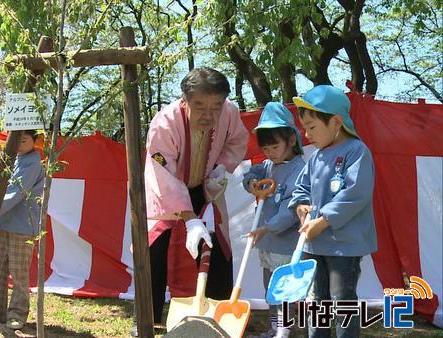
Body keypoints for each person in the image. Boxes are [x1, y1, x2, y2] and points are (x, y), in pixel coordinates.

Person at [140, 67, 248, 334]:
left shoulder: (230, 113)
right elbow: (161, 173)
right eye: (200, 106)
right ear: (184, 100)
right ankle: (147, 319)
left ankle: (219, 315)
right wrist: (189, 219)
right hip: (165, 192)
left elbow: (237, 141)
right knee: (154, 252)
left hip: (206, 187)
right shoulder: (164, 124)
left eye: (216, 107)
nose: (208, 115)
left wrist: (221, 167)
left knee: (217, 249)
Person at [288, 85, 377, 338]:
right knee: (317, 300)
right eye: (304, 127)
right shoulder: (316, 157)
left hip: (344, 245)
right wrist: (301, 205)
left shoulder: (357, 152)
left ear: (336, 122)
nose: (307, 134)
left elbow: (355, 193)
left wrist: (324, 220)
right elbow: (301, 187)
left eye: (312, 127)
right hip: (315, 244)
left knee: (342, 298)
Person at [242, 102, 305, 338]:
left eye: (275, 146)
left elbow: (292, 210)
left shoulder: (300, 170)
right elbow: (252, 174)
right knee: (270, 288)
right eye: (266, 147)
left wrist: (267, 228)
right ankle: (275, 328)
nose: (270, 152)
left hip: (286, 245)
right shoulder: (268, 166)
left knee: (285, 289)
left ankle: (285, 329)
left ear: (291, 139)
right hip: (267, 243)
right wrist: (251, 184)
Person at [0, 130, 44, 330]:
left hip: (22, 226)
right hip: (3, 222)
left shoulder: (33, 161)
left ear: (35, 141)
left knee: (18, 272)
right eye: (16, 139)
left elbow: (14, 193)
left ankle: (17, 313)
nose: (19, 143)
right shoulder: (12, 157)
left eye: (24, 139)